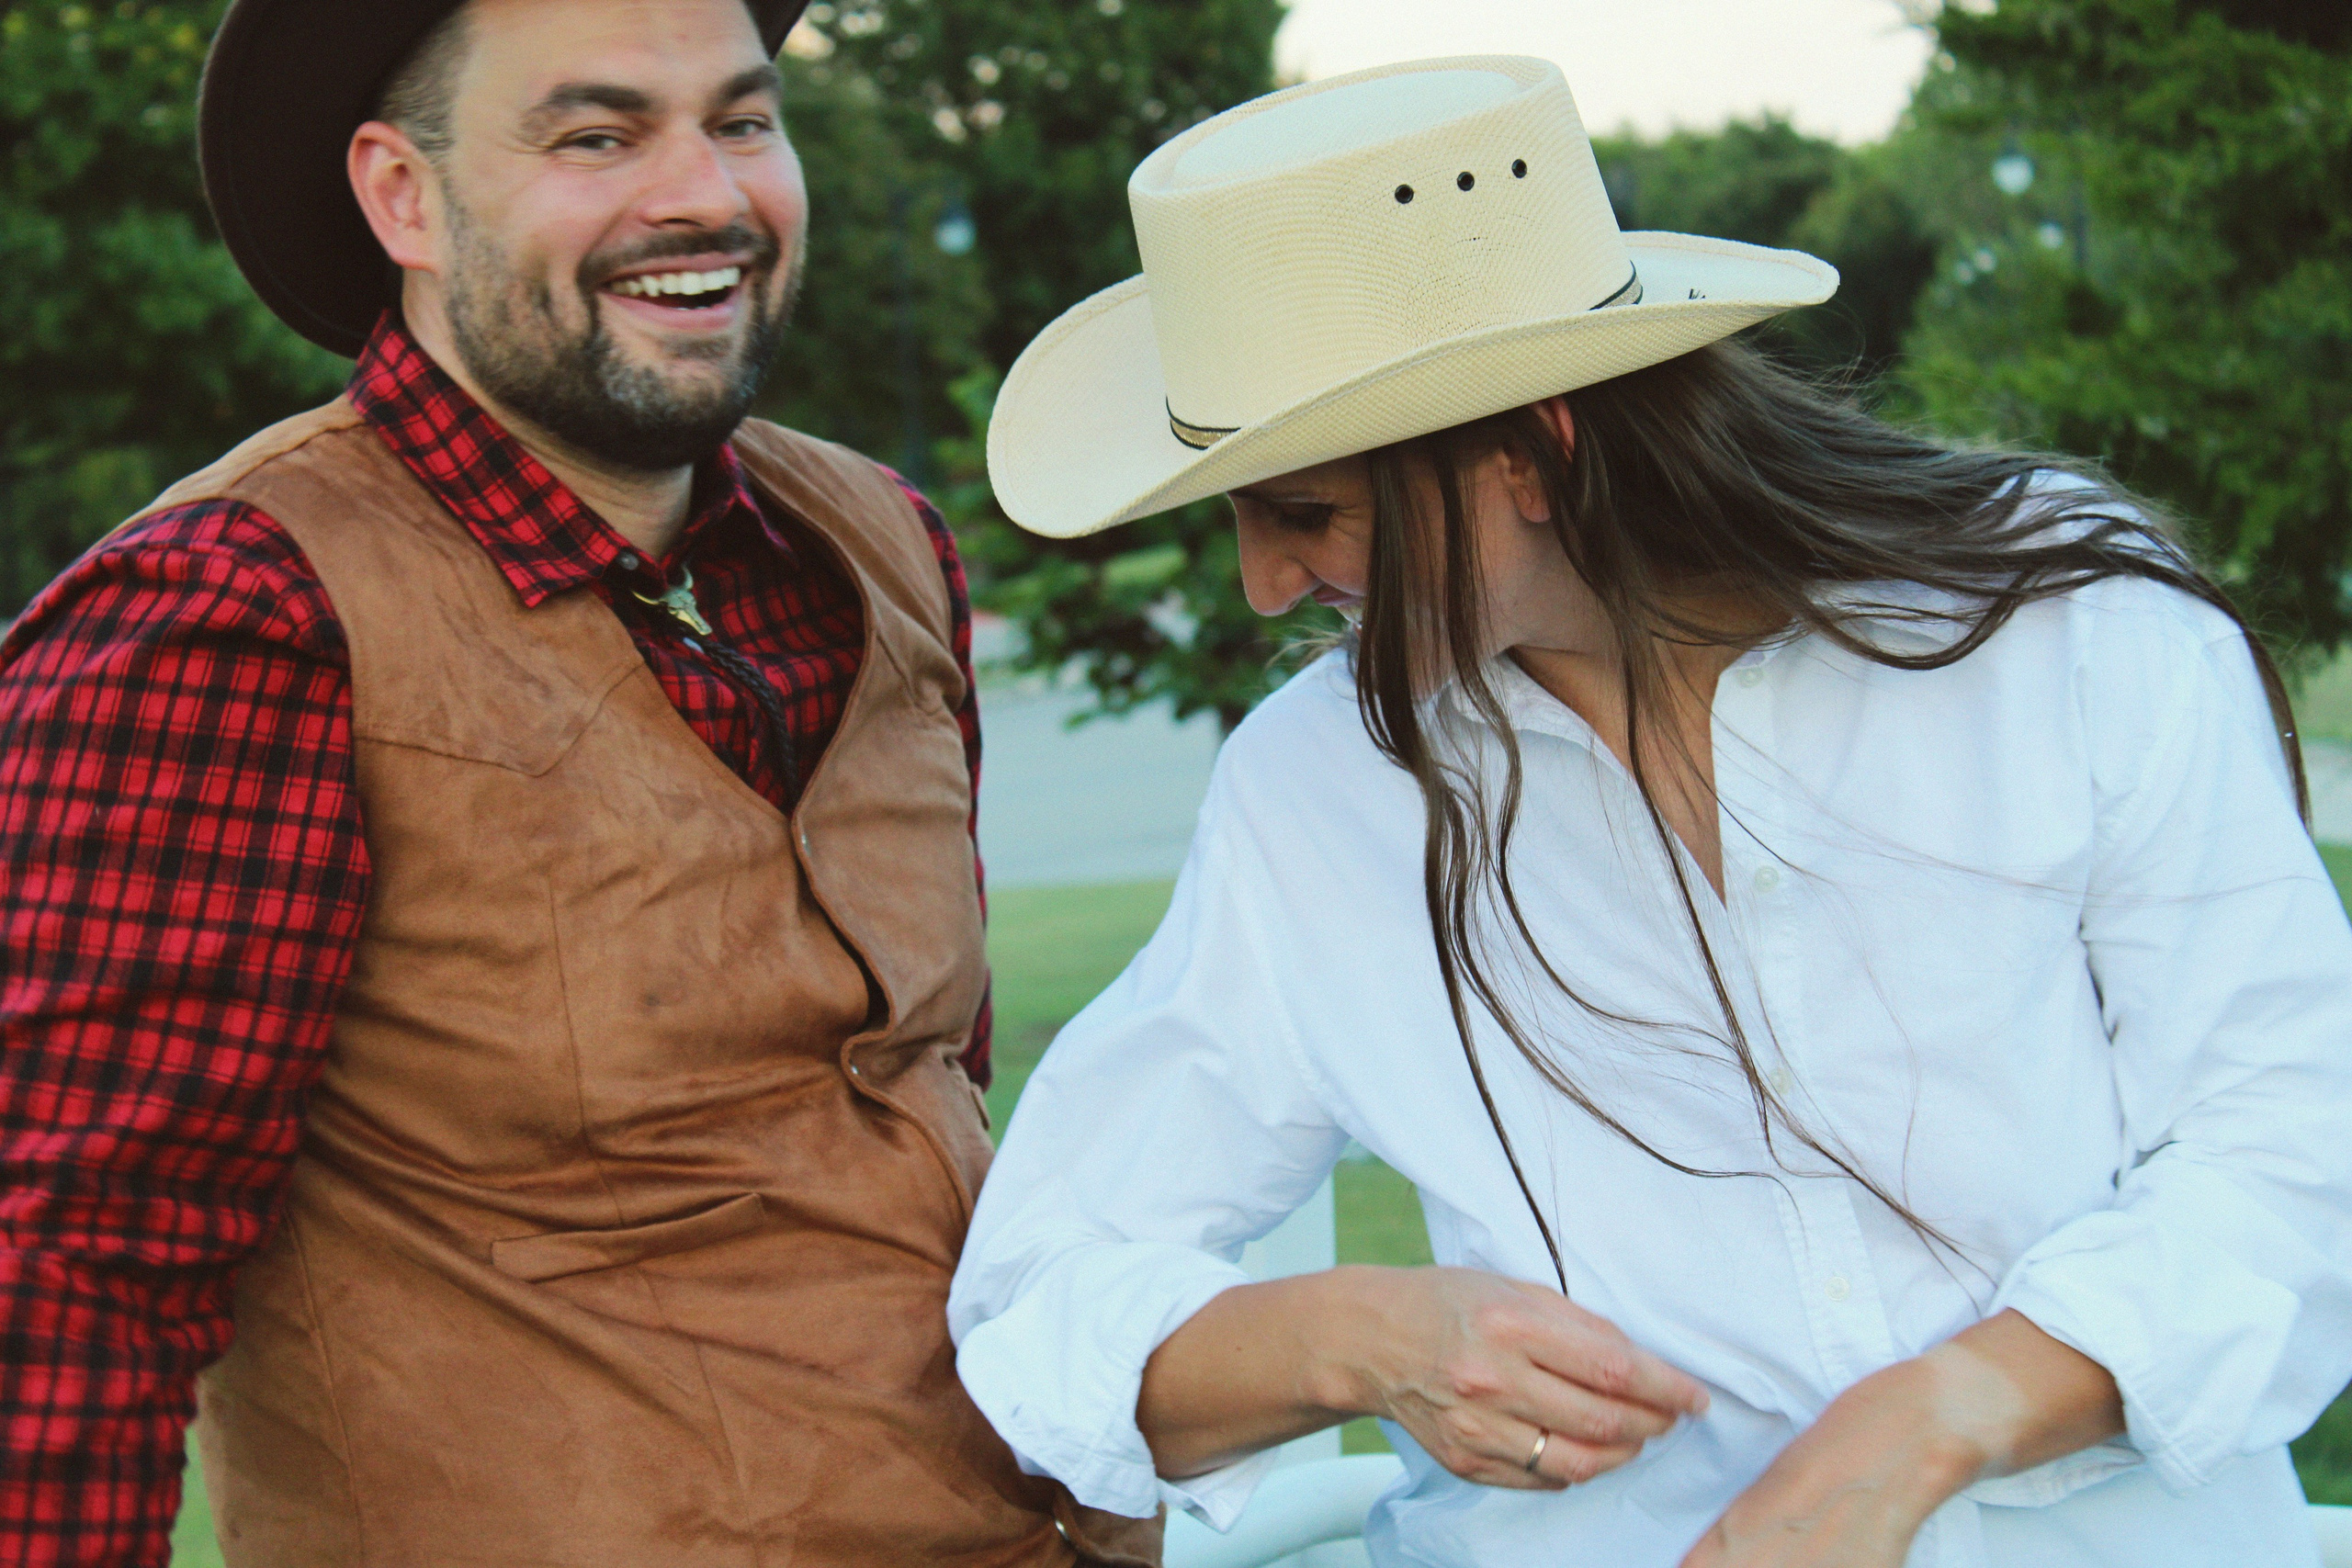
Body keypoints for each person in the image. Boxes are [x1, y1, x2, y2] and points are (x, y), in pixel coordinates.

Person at [949, 55, 2352, 1568]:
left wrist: (1924, 1427)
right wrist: (1360, 1335)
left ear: (1534, 451)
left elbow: (2293, 1153)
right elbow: (1038, 1291)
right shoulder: (1316, 791)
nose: (1262, 586)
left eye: (1306, 511)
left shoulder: (2067, 637)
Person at [0, 1, 1158, 1563]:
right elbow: (70, 1279)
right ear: (404, 197)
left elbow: (921, 1109)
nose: (705, 194)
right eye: (596, 135)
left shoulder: (886, 543)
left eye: (743, 121)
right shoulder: (237, 611)